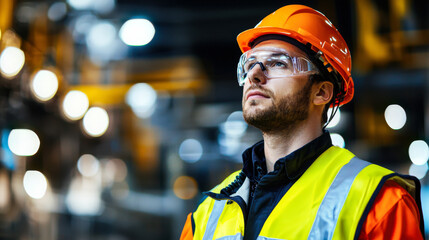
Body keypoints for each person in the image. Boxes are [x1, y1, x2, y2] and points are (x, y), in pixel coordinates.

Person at [180, 4, 425, 240]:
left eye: (278, 63)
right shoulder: (207, 214)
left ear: (322, 93)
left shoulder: (379, 203)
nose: (254, 75)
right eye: (250, 63)